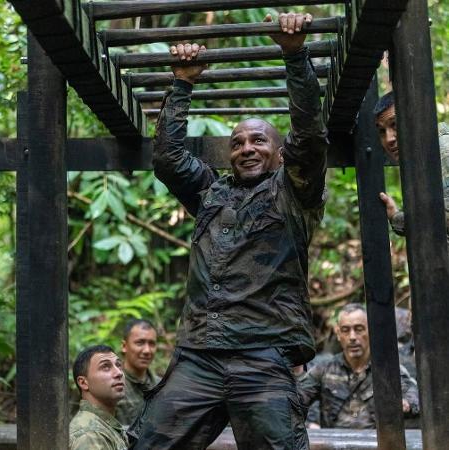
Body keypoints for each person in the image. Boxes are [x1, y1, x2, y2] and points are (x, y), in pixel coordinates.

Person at [129, 11, 328, 450]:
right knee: (148, 444)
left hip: (262, 355)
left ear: (278, 155)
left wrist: (295, 56)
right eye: (237, 142)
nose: (245, 148)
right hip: (199, 356)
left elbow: (310, 137)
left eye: (258, 141)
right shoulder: (211, 194)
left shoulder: (292, 193)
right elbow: (168, 159)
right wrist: (182, 82)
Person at [300, 303, 419, 429]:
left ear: (370, 331)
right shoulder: (324, 370)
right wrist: (308, 426)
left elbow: (414, 395)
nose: (352, 337)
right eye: (346, 330)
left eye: (359, 329)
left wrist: (406, 404)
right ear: (338, 334)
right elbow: (293, 403)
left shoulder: (386, 370)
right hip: (334, 443)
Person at [375, 91, 449, 246]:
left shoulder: (442, 149)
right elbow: (433, 220)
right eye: (382, 131)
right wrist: (395, 217)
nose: (389, 139)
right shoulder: (418, 162)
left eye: (394, 124)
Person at [70, 345, 129, 450]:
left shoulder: (104, 426)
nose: (119, 373)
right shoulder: (89, 435)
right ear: (83, 383)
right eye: (105, 367)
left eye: (118, 365)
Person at [116, 319, 161, 427]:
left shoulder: (161, 386)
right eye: (140, 343)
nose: (147, 351)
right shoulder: (112, 384)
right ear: (124, 346)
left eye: (152, 344)